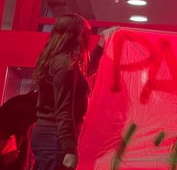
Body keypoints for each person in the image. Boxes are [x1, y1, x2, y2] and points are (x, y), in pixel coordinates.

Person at [30, 16, 115, 170]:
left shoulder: (60, 60)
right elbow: (64, 109)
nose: (88, 38)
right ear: (78, 35)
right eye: (87, 34)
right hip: (56, 139)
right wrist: (69, 148)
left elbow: (87, 69)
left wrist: (102, 44)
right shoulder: (65, 64)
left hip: (52, 136)